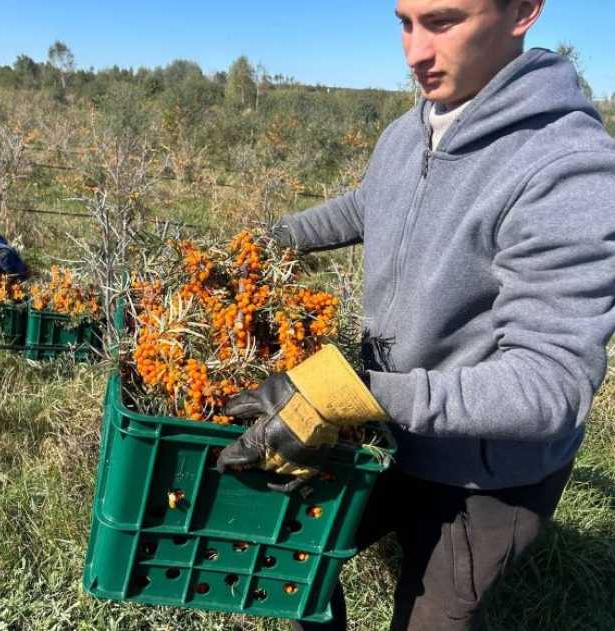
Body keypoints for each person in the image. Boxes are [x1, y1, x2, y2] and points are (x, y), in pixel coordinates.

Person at [215, 1, 615, 629]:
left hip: (485, 480)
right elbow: (370, 203)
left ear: (524, 12)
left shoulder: (568, 169)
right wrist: (271, 239)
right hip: (387, 426)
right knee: (295, 564)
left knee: (431, 617)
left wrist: (356, 396)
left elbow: (550, 385)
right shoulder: (413, 128)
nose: (414, 53)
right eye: (405, 21)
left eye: (444, 21)